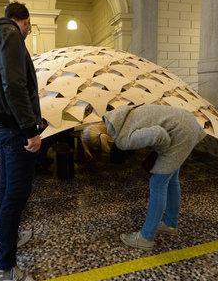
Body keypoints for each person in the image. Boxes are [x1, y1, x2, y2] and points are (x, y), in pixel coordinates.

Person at [82, 104, 205, 250]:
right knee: (171, 179)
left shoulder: (122, 139)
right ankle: (170, 223)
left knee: (157, 183)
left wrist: (161, 155)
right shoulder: (117, 115)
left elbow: (159, 135)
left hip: (180, 133)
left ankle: (146, 237)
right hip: (186, 121)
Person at [0, 1, 41, 281]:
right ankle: (4, 268)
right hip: (15, 129)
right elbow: (15, 86)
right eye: (30, 25)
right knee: (16, 195)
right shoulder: (12, 35)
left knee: (6, 188)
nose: (28, 30)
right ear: (25, 21)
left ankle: (9, 237)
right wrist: (30, 130)